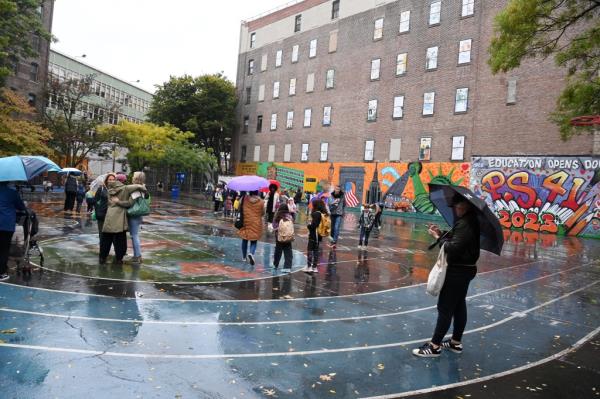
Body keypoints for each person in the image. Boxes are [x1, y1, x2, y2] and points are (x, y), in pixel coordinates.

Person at [413, 196, 481, 358]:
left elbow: (453, 248)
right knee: (458, 305)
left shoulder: (466, 223)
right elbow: (458, 240)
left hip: (457, 271)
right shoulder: (468, 221)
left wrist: (437, 238)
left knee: (445, 307)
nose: (454, 209)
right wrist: (441, 233)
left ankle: (435, 346)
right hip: (465, 270)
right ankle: (455, 342)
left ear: (464, 206)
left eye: (456, 206)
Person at [100, 177, 146, 265]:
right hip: (120, 215)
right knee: (120, 239)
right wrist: (144, 189)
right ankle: (119, 259)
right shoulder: (125, 188)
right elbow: (130, 202)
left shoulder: (109, 188)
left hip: (109, 215)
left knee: (106, 238)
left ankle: (102, 257)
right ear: (123, 181)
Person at [113, 171, 148, 264]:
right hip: (138, 215)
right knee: (135, 235)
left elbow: (129, 203)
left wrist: (117, 201)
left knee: (134, 235)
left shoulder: (136, 190)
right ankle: (137, 255)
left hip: (134, 215)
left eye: (133, 176)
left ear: (137, 179)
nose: (132, 177)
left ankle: (137, 256)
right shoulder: (143, 188)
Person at [0, 182, 26, 281]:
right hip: (6, 224)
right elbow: (21, 207)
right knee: (4, 249)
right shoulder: (12, 192)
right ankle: (1, 273)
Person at [238, 190, 264, 266]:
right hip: (256, 223)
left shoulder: (244, 198)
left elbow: (239, 208)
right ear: (257, 193)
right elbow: (263, 213)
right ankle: (251, 253)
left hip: (246, 221)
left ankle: (243, 257)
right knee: (254, 240)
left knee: (245, 239)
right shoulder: (261, 202)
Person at [304, 199, 326, 275]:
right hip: (318, 236)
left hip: (314, 235)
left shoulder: (316, 214)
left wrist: (308, 225)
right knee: (316, 251)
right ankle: (314, 267)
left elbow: (314, 225)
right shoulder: (321, 213)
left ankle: (309, 266)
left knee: (310, 250)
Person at [272, 203, 294, 273]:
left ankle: (275, 264)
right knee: (288, 251)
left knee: (278, 251)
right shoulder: (290, 216)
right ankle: (287, 267)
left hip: (279, 237)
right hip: (288, 237)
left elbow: (274, 226)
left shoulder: (277, 216)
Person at [94, 173, 115, 242]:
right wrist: (97, 211)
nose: (111, 181)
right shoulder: (101, 188)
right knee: (102, 234)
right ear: (106, 180)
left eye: (113, 179)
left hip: (112, 215)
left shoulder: (116, 189)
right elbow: (95, 200)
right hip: (102, 214)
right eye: (110, 179)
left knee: (110, 234)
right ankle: (102, 250)